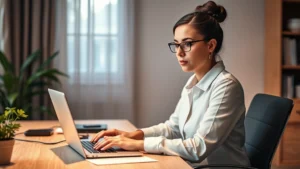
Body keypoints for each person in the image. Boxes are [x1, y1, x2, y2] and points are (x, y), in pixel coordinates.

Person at [91, 1, 250, 167]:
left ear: (210, 45)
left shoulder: (226, 87)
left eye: (187, 44)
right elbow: (173, 128)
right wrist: (133, 135)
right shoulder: (193, 81)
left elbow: (198, 148)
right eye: (176, 44)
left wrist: (139, 145)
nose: (179, 52)